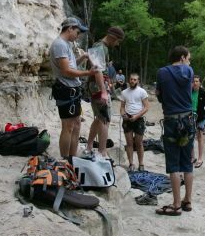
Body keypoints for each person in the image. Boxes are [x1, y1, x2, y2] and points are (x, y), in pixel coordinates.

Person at [155, 46, 195, 216]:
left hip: (172, 120)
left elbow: (159, 95)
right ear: (182, 57)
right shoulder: (190, 71)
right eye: (188, 58)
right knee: (187, 163)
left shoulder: (162, 73)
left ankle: (176, 204)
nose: (189, 61)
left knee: (173, 164)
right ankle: (187, 200)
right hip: (188, 119)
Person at [48, 17, 96, 161]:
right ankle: (65, 159)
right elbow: (66, 71)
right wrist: (88, 73)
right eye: (78, 31)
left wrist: (84, 57)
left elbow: (72, 65)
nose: (79, 35)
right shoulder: (59, 45)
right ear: (70, 29)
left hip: (72, 90)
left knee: (75, 125)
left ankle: (72, 158)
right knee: (68, 126)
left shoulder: (66, 44)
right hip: (65, 89)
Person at [84, 26, 125, 159]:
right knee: (105, 119)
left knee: (100, 117)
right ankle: (102, 152)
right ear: (113, 37)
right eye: (118, 41)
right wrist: (103, 91)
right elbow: (98, 70)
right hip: (97, 86)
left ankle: (89, 146)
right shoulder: (100, 47)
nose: (117, 44)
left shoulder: (102, 47)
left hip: (98, 85)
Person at [120, 73, 150, 172]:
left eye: (134, 80)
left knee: (139, 143)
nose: (132, 81)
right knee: (129, 143)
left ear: (138, 81)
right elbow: (122, 107)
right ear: (129, 80)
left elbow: (146, 107)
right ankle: (131, 163)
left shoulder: (142, 92)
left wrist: (136, 116)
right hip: (127, 119)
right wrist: (123, 114)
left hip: (139, 118)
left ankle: (141, 164)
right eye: (131, 79)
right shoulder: (124, 92)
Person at [191, 74, 205, 168]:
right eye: (193, 81)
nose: (195, 83)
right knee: (190, 137)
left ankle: (200, 158)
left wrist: (204, 115)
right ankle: (192, 157)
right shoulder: (189, 91)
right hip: (190, 117)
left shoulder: (203, 93)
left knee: (199, 137)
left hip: (200, 118)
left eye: (197, 81)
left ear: (200, 83)